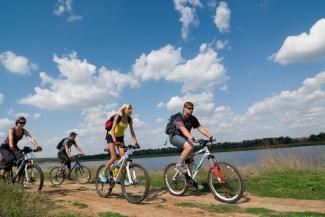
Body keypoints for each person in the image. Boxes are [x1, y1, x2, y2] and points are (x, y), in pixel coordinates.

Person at [169, 102, 214, 189]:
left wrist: (210, 136)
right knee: (190, 146)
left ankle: (191, 180)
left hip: (184, 139)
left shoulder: (193, 118)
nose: (191, 110)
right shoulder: (178, 117)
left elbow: (200, 128)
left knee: (190, 160)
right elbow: (183, 129)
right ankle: (179, 165)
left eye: (192, 108)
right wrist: (192, 138)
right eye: (189, 108)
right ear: (184, 108)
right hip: (175, 136)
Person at [99, 104, 140, 184]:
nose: (131, 110)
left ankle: (122, 178)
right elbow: (113, 129)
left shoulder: (129, 119)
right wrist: (115, 141)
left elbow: (132, 132)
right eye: (129, 109)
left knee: (124, 158)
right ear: (124, 109)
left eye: (131, 109)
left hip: (120, 138)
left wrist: (135, 142)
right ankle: (102, 173)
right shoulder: (118, 117)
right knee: (114, 157)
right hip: (111, 136)